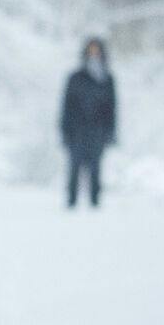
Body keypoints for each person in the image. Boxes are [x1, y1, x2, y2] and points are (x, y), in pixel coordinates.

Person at [58, 36, 118, 209]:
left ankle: (95, 202)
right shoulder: (75, 77)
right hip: (77, 131)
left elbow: (112, 108)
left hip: (98, 132)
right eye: (91, 49)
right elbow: (67, 106)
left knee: (96, 168)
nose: (93, 52)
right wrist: (64, 130)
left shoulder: (107, 79)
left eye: (96, 49)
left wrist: (110, 132)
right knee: (74, 168)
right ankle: (71, 202)